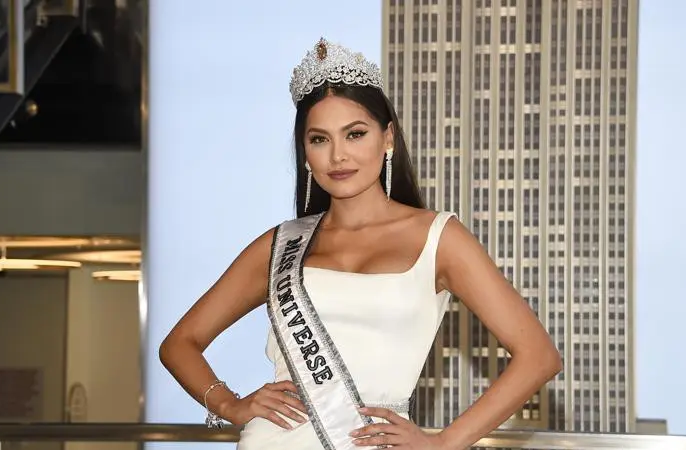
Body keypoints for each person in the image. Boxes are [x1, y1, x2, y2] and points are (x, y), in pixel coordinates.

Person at [159, 38, 562, 450]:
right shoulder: (280, 245)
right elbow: (179, 344)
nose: (338, 156)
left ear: (387, 139)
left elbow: (538, 356)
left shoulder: (439, 239)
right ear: (305, 154)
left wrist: (445, 442)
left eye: (354, 134)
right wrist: (229, 404)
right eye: (319, 139)